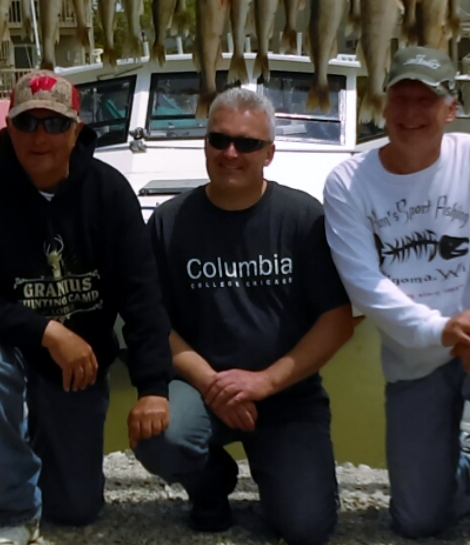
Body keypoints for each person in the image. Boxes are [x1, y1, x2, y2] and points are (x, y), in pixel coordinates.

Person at [324, 46, 470, 545]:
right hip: (414, 353)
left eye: (425, 100)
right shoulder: (347, 181)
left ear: (451, 109)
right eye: (399, 98)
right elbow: (365, 284)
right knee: (417, 521)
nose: (409, 113)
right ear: (382, 105)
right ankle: (468, 463)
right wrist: (440, 328)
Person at [0, 71, 172, 545]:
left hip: (78, 368)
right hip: (10, 350)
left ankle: (38, 444)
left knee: (76, 511)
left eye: (53, 124)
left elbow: (142, 295)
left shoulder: (109, 193)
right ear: (8, 130)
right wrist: (48, 331)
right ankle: (15, 508)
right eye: (27, 124)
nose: (39, 137)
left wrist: (153, 386)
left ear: (75, 132)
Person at [134, 86, 354, 545]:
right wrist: (214, 386)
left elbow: (336, 319)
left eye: (248, 144)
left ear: (269, 153)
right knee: (159, 435)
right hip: (203, 386)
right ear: (205, 144)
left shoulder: (302, 218)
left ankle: (285, 472)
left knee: (307, 529)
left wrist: (263, 383)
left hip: (288, 392)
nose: (231, 152)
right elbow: (154, 322)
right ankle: (211, 483)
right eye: (219, 140)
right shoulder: (170, 222)